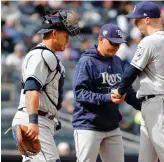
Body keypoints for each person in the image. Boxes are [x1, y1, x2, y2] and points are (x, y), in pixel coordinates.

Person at [112, 1, 164, 162]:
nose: (134, 23)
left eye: (137, 19)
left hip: (159, 104)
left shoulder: (150, 41)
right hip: (158, 104)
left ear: (147, 19)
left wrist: (120, 91)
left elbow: (131, 71)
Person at [11, 10, 81, 162]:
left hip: (40, 120)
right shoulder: (41, 55)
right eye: (66, 35)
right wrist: (33, 123)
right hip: (35, 121)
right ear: (54, 33)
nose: (68, 40)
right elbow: (31, 90)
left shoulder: (47, 55)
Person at [72, 23, 141, 162]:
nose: (116, 47)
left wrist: (146, 108)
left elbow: (126, 89)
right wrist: (107, 97)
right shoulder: (86, 61)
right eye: (113, 43)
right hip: (88, 125)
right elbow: (80, 94)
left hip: (112, 126)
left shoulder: (117, 61)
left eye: (118, 44)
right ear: (101, 39)